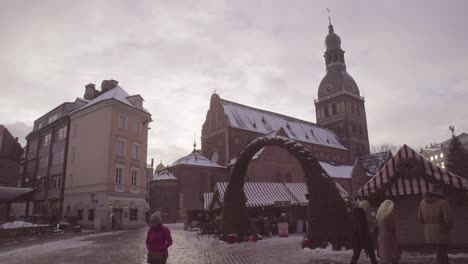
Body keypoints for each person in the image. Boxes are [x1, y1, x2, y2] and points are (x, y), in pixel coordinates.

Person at [418, 183, 453, 264]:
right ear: (439, 191)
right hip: (442, 232)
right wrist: (448, 228)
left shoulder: (422, 203)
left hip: (429, 233)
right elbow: (448, 220)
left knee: (440, 252)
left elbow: (420, 219)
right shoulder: (443, 203)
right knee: (443, 253)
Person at [376, 199, 400, 264]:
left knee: (385, 255)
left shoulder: (379, 214)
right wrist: (395, 238)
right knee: (392, 255)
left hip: (381, 236)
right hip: (389, 237)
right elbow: (393, 227)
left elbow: (378, 227)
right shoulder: (390, 214)